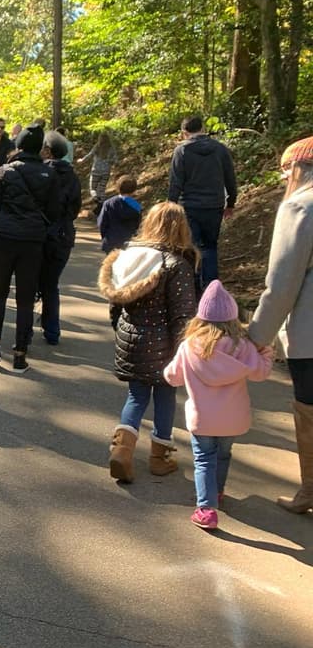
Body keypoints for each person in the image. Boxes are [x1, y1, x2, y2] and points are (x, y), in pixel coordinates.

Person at [100, 202, 198, 483]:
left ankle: (121, 448)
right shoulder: (177, 265)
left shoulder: (130, 258)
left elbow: (116, 303)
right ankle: (160, 457)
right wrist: (187, 348)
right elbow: (183, 314)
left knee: (136, 395)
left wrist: (120, 331)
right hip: (165, 344)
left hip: (131, 338)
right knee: (165, 395)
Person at [163, 281, 273, 530]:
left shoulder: (189, 346)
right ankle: (218, 491)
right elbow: (260, 373)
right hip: (233, 419)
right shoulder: (242, 347)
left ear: (200, 318)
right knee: (223, 454)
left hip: (202, 419)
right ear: (233, 319)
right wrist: (265, 352)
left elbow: (172, 377)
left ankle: (206, 508)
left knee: (204, 459)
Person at [246, 135, 313, 513]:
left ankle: (311, 490)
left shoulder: (301, 207)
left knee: (309, 408)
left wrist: (257, 337)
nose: (284, 176)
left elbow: (283, 283)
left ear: (299, 168)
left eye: (286, 169)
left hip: (310, 332)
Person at [0, 125, 58, 374]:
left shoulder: (3, 172)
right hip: (32, 241)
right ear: (40, 148)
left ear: (18, 145)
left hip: (2, 238)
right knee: (25, 298)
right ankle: (20, 354)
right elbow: (54, 212)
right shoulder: (49, 174)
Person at [168, 115, 237, 291]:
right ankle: (212, 289)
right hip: (214, 205)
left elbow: (176, 182)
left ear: (184, 132)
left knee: (192, 247)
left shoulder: (181, 151)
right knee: (210, 246)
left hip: (190, 206)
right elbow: (230, 178)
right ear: (203, 129)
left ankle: (195, 288)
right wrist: (231, 203)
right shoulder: (220, 149)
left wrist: (171, 206)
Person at [38, 131, 82, 346]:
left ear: (47, 151)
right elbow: (75, 209)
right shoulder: (73, 177)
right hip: (64, 235)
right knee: (51, 285)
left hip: (42, 235)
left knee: (32, 283)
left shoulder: (43, 174)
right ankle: (52, 331)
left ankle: (25, 332)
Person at [98, 176, 142, 252]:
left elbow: (102, 223)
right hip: (128, 242)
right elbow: (137, 225)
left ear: (118, 187)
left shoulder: (108, 203)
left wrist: (105, 237)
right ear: (134, 190)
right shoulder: (137, 206)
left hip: (110, 240)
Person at [76, 130, 117, 208]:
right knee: (102, 189)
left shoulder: (97, 146)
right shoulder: (111, 148)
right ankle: (102, 205)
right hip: (106, 171)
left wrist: (81, 160)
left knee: (92, 189)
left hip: (96, 170)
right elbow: (116, 160)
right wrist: (110, 161)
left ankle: (95, 198)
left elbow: (89, 155)